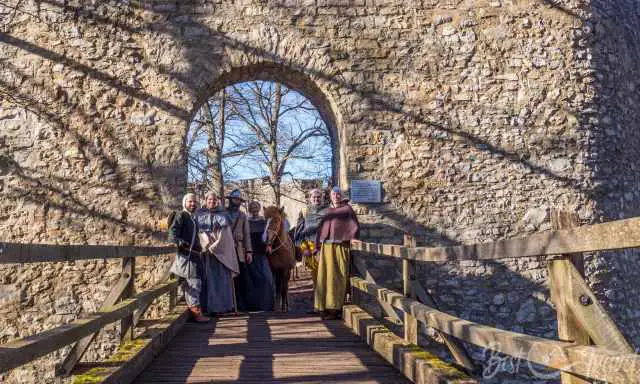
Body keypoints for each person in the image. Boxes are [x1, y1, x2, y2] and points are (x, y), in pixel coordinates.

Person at [314, 186, 360, 320]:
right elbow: (321, 229)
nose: (336, 196)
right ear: (330, 195)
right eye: (334, 194)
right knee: (324, 276)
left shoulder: (347, 209)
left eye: (338, 194)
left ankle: (334, 308)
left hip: (340, 246)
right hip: (327, 247)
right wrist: (318, 246)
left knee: (337, 277)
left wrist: (353, 237)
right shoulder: (329, 211)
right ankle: (323, 307)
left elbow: (354, 226)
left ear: (342, 195)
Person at [194, 192, 238, 315]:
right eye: (209, 199)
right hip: (205, 251)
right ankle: (207, 308)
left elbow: (226, 235)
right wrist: (206, 244)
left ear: (217, 201)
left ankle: (222, 307)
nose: (212, 202)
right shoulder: (199, 214)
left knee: (220, 281)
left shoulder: (223, 215)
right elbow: (198, 231)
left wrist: (215, 247)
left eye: (214, 200)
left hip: (220, 253)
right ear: (205, 200)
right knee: (206, 280)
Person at [169, 193, 209, 323]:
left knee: (196, 283)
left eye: (195, 202)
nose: (193, 204)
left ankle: (197, 311)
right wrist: (180, 243)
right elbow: (172, 234)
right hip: (186, 256)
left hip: (195, 255)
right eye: (190, 202)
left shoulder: (192, 218)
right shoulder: (181, 215)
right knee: (194, 284)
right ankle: (196, 314)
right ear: (185, 202)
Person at [235, 200, 275, 311]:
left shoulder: (265, 222)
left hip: (262, 254)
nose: (254, 209)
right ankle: (251, 305)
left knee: (266, 279)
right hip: (250, 254)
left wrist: (269, 244)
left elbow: (269, 236)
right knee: (249, 281)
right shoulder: (245, 221)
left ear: (259, 208)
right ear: (249, 209)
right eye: (252, 207)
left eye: (256, 207)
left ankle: (265, 304)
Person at [294, 189, 328, 303]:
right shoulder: (304, 211)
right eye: (314, 197)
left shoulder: (328, 211)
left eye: (318, 197)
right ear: (310, 198)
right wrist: (304, 249)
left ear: (322, 198)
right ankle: (318, 304)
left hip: (325, 247)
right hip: (311, 247)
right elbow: (299, 233)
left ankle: (327, 304)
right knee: (315, 278)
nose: (316, 199)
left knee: (326, 276)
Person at [226, 189, 253, 310]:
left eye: (238, 199)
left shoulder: (242, 215)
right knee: (226, 277)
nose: (236, 201)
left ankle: (240, 304)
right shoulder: (223, 213)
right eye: (234, 199)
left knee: (239, 278)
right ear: (230, 200)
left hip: (239, 249)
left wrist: (249, 251)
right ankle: (228, 304)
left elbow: (247, 234)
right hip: (226, 248)